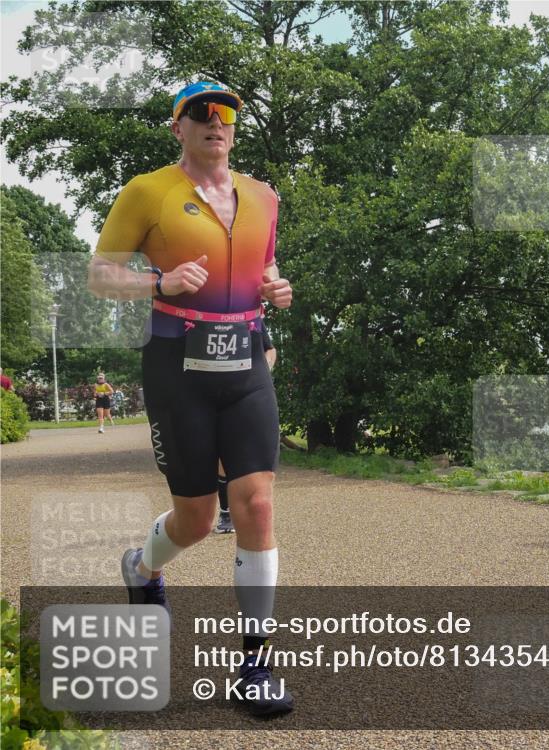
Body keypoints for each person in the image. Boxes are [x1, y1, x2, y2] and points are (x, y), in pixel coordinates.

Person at [88, 81, 294, 714]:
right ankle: (141, 567)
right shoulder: (148, 191)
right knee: (198, 520)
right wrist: (160, 279)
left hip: (247, 365)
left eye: (226, 112)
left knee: (256, 503)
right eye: (201, 113)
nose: (216, 122)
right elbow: (99, 275)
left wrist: (275, 288)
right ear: (177, 127)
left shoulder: (263, 196)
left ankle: (254, 668)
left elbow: (263, 270)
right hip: (178, 368)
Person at [216, 322, 276, 534]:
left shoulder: (250, 317)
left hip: (247, 394)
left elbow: (270, 349)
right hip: (211, 393)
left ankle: (243, 512)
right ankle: (225, 511)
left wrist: (263, 373)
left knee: (248, 460)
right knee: (220, 461)